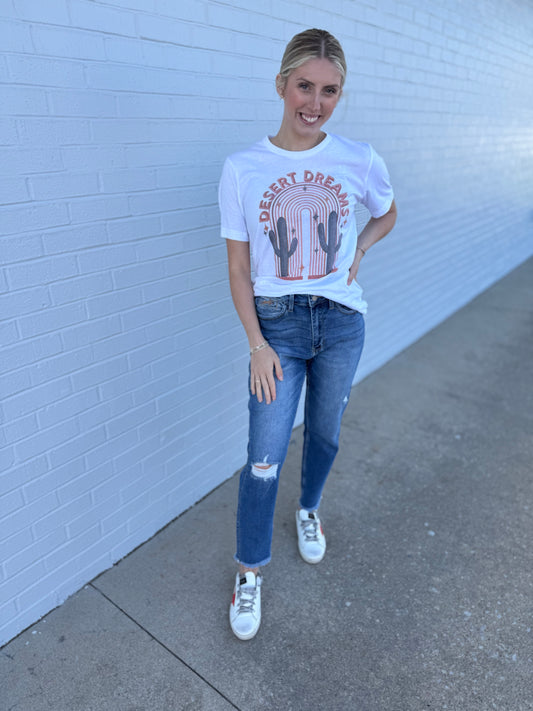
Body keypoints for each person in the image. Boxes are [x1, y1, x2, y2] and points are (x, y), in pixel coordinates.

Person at [218, 28, 397, 641]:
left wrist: (360, 251)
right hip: (277, 329)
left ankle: (309, 509)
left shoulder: (359, 158)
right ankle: (249, 571)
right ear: (280, 84)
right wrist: (257, 344)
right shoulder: (242, 169)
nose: (315, 103)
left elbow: (387, 211)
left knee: (325, 433)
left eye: (329, 91)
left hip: (342, 324)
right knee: (263, 455)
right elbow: (239, 268)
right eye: (304, 86)